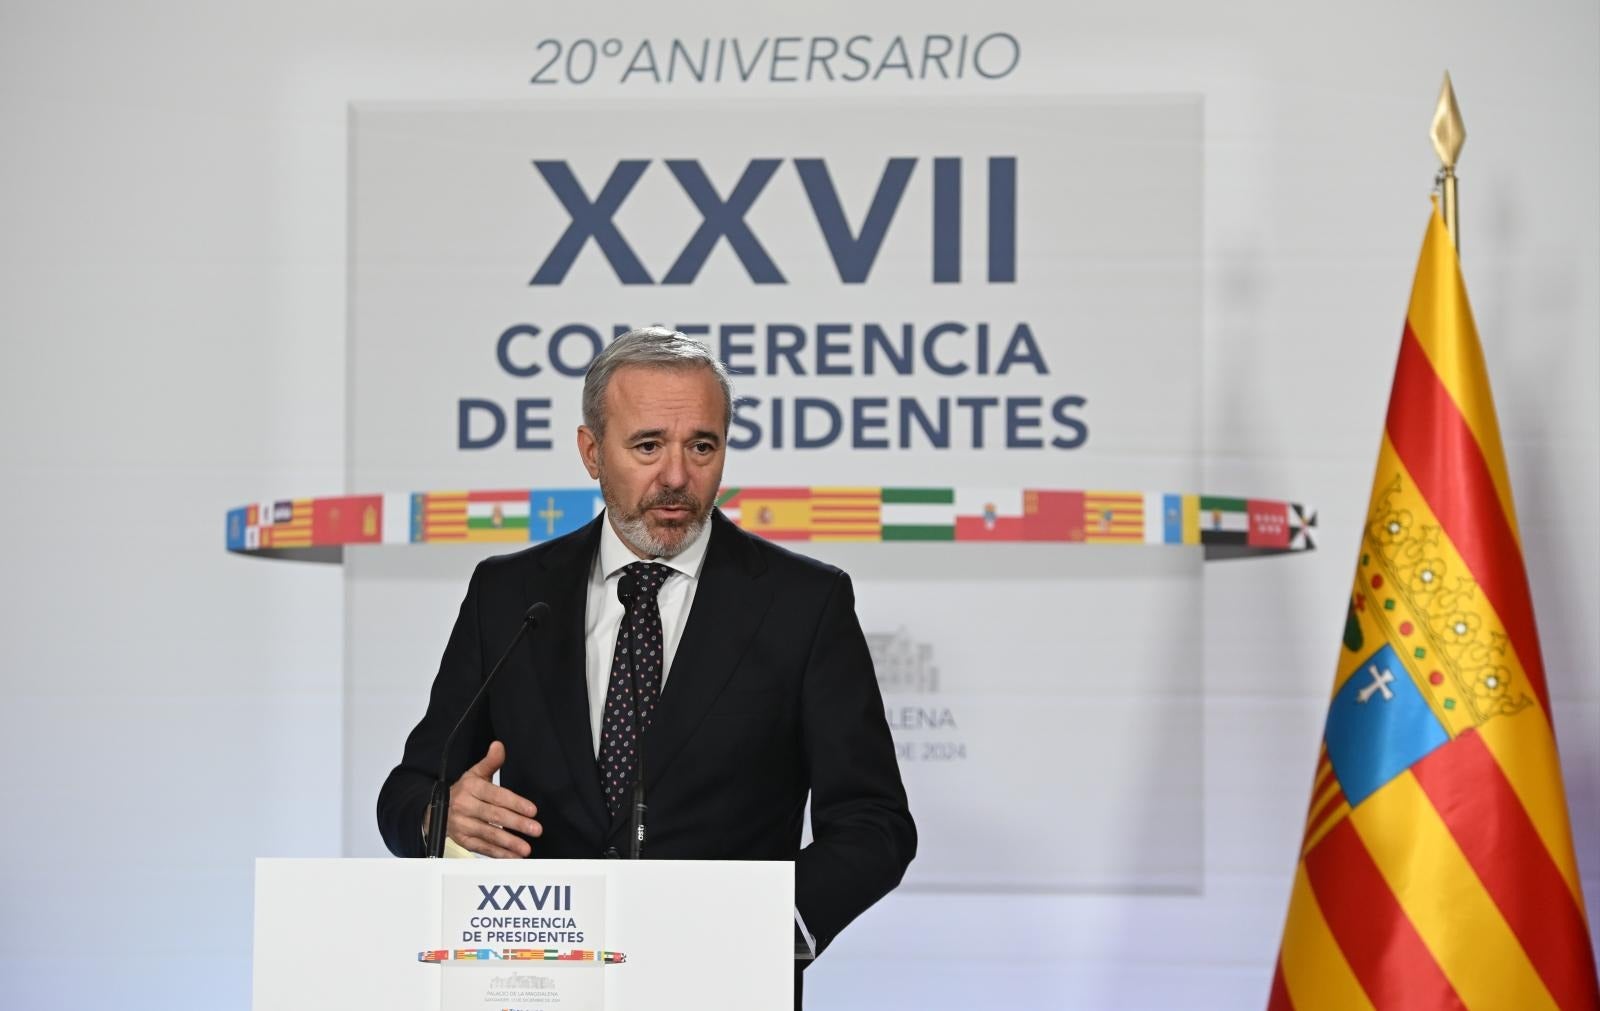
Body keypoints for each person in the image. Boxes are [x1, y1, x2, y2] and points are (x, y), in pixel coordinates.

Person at [376, 326, 915, 1004]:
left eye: (702, 446)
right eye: (648, 445)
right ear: (591, 451)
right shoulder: (509, 594)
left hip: (721, 984)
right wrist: (441, 815)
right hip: (535, 979)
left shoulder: (803, 603)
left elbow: (875, 822)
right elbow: (408, 791)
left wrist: (773, 925)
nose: (677, 476)